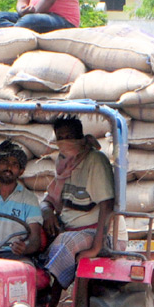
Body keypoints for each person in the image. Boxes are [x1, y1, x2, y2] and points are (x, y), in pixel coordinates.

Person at [40, 117, 115, 288]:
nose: (65, 141)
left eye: (70, 136)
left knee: (65, 243)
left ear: (80, 137)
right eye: (61, 137)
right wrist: (47, 213)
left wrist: (96, 248)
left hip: (93, 231)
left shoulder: (95, 161)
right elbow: (49, 199)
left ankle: (50, 296)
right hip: (65, 227)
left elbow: (107, 206)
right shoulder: (63, 162)